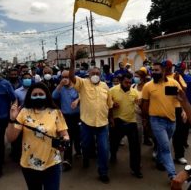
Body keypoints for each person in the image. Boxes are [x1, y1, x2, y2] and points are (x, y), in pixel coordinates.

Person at [6, 82, 69, 190]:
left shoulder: (56, 112)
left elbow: (64, 133)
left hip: (52, 163)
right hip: (29, 164)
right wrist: (12, 120)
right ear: (30, 96)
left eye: (41, 94)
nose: (38, 96)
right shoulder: (24, 112)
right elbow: (11, 138)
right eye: (34, 95)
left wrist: (64, 141)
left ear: (47, 95)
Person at [69, 55, 113, 183]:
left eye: (97, 73)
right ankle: (85, 158)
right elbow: (72, 77)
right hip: (86, 123)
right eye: (92, 73)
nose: (95, 75)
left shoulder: (105, 86)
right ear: (88, 74)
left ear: (100, 75)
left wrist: (111, 118)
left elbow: (109, 104)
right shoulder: (82, 83)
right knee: (86, 145)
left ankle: (103, 172)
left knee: (104, 149)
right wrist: (72, 63)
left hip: (102, 124)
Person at [142, 61, 182, 180]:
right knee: (166, 147)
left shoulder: (173, 83)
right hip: (156, 121)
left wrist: (184, 111)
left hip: (171, 120)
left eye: (156, 70)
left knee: (162, 144)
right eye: (152, 70)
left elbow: (180, 99)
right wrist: (145, 120)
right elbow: (145, 104)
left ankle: (160, 161)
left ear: (163, 71)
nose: (153, 72)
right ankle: (172, 175)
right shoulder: (148, 86)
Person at [109, 73, 142, 178]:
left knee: (135, 147)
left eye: (129, 82)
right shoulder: (112, 91)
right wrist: (112, 108)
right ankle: (113, 154)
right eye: (126, 82)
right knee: (113, 143)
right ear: (120, 81)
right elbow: (107, 105)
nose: (128, 84)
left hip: (131, 122)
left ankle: (135, 168)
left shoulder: (134, 92)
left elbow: (139, 105)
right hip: (117, 121)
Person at [52, 70, 81, 171]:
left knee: (78, 136)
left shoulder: (77, 87)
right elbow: (53, 96)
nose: (65, 79)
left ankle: (79, 151)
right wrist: (60, 85)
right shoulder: (61, 89)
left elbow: (84, 95)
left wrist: (77, 100)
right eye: (63, 77)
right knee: (67, 137)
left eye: (67, 77)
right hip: (65, 117)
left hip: (77, 116)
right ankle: (67, 160)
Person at [164, 60, 189, 165]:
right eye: (166, 67)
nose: (169, 69)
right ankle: (158, 152)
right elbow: (163, 92)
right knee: (161, 133)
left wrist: (177, 81)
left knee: (178, 132)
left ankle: (179, 155)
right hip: (163, 107)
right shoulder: (159, 78)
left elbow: (184, 90)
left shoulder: (177, 76)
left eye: (170, 67)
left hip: (176, 107)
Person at [132, 69, 152, 146]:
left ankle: (147, 139)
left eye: (137, 77)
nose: (135, 78)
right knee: (138, 130)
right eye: (134, 76)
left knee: (148, 129)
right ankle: (138, 145)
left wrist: (143, 102)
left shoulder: (147, 87)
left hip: (146, 112)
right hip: (135, 113)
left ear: (142, 78)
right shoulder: (133, 86)